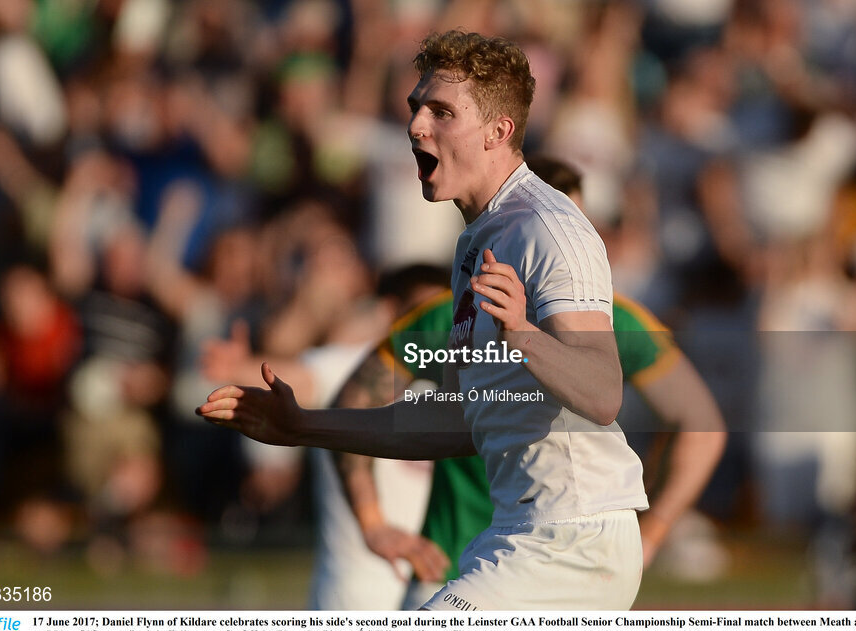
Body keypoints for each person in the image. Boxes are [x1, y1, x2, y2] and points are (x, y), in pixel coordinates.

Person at [199, 30, 645, 610]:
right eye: (415, 108)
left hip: (572, 539)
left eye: (441, 112)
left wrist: (523, 334)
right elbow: (457, 423)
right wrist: (302, 427)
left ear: (498, 132)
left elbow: (604, 392)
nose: (416, 126)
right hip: (520, 534)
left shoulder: (547, 228)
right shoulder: (476, 243)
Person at [334, 157, 727, 608]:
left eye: (579, 235)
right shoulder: (452, 309)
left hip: (559, 555)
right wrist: (370, 519)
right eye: (556, 240)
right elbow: (364, 401)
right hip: (453, 561)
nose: (572, 258)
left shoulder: (619, 323)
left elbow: (699, 424)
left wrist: (651, 536)